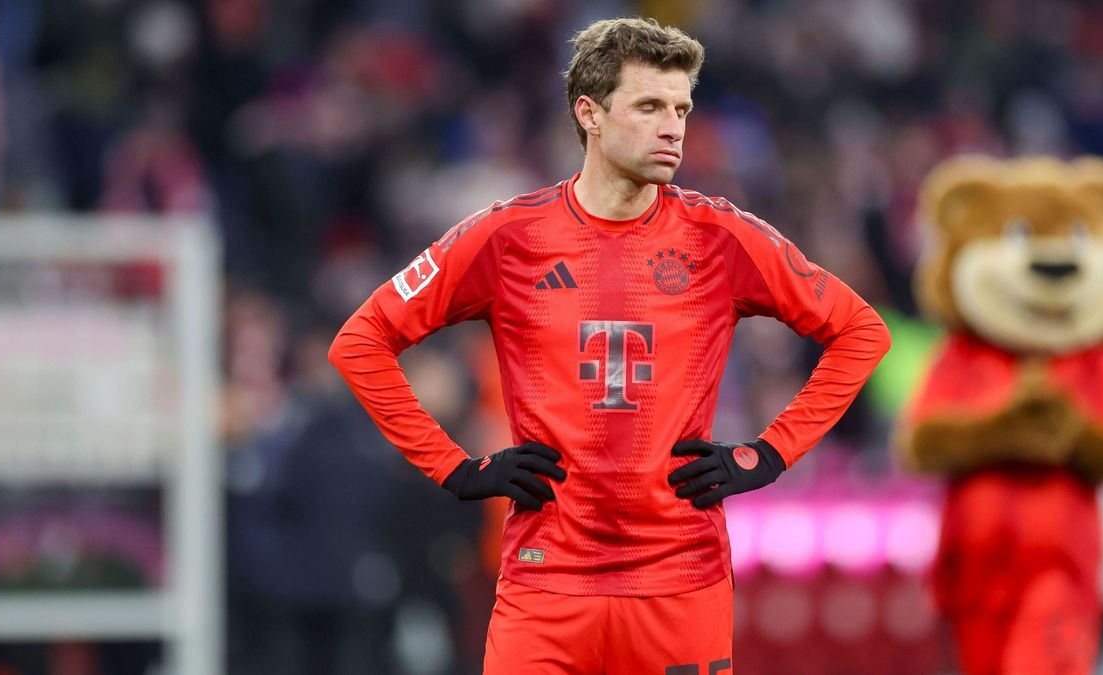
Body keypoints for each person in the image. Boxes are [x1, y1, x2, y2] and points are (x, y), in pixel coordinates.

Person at [329, 16, 891, 674]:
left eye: (681, 107)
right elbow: (361, 342)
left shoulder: (720, 236)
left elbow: (861, 331)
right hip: (546, 588)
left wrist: (767, 454)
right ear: (589, 114)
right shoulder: (509, 237)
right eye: (650, 106)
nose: (673, 126)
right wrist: (455, 466)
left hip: (681, 584)